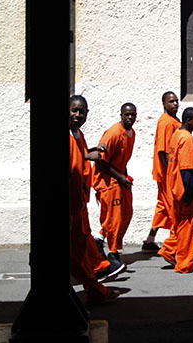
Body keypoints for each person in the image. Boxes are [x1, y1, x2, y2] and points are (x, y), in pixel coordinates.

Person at [68, 95, 123, 304]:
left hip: (79, 203)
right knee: (75, 255)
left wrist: (92, 153)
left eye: (81, 112)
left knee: (81, 248)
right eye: (74, 110)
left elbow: (79, 157)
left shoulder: (78, 135)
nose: (77, 115)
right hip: (70, 205)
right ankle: (95, 286)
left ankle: (97, 278)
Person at [158, 107, 193, 273]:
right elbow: (188, 170)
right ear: (189, 120)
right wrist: (190, 195)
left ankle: (169, 251)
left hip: (175, 189)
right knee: (188, 228)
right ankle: (185, 263)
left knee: (179, 226)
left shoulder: (177, 135)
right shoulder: (186, 139)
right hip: (185, 191)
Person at [93, 103, 137, 270]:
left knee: (127, 213)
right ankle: (113, 253)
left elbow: (122, 159)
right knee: (114, 217)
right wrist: (120, 178)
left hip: (119, 178)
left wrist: (124, 177)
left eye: (133, 115)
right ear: (121, 115)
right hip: (106, 181)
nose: (130, 118)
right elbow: (101, 161)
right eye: (127, 115)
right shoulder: (113, 134)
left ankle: (99, 238)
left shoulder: (131, 134)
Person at [143, 91, 181, 252]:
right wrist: (170, 175)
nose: (175, 104)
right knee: (174, 208)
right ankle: (176, 245)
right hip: (167, 174)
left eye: (176, 101)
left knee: (162, 206)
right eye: (171, 101)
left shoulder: (172, 120)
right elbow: (163, 151)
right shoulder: (166, 122)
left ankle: (150, 240)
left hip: (166, 173)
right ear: (164, 104)